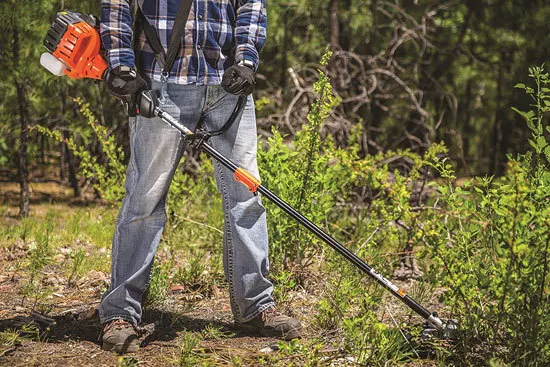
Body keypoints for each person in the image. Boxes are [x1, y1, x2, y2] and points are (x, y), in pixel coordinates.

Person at [99, 0, 302, 354]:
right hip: (161, 83)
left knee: (247, 197)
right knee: (144, 200)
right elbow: (116, 6)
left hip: (226, 86)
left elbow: (251, 6)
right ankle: (120, 313)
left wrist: (246, 60)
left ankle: (255, 307)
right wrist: (121, 66)